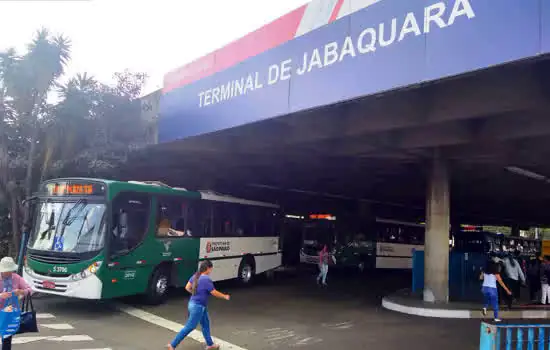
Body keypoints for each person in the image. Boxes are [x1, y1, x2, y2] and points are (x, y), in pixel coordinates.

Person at [167, 260, 230, 350]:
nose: (211, 271)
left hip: (194, 304)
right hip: (198, 307)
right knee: (190, 327)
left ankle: (210, 344)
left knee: (205, 323)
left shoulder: (195, 276)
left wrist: (195, 293)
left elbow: (187, 287)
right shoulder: (206, 279)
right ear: (208, 268)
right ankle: (172, 345)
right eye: (211, 269)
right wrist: (224, 296)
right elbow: (213, 292)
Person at [0, 257, 32, 350]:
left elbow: (30, 290)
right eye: (6, 271)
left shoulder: (17, 278)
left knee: (6, 339)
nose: (8, 273)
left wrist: (21, 291)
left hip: (9, 312)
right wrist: (1, 295)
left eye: (10, 270)